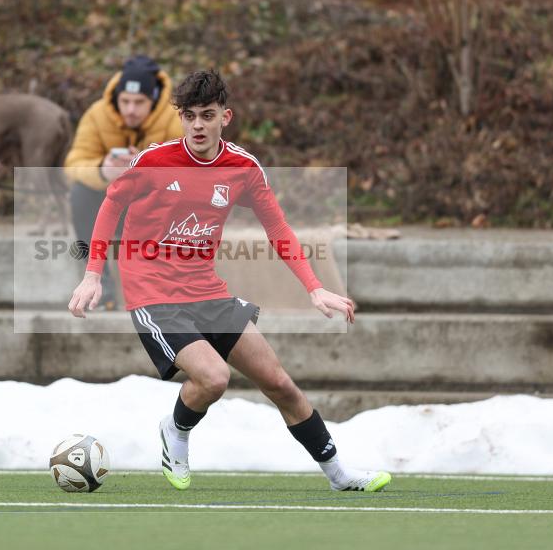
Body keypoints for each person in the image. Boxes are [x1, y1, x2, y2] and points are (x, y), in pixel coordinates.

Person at [68, 70, 390, 493]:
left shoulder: (242, 168)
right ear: (180, 118)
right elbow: (110, 206)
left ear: (226, 117)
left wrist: (314, 287)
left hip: (206, 289)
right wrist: (93, 275)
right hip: (153, 291)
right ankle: (176, 430)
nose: (197, 125)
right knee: (214, 378)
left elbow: (279, 231)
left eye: (207, 115)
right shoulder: (153, 161)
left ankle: (340, 475)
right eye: (189, 116)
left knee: (280, 384)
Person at [63, 55, 183, 309]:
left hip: (154, 206)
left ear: (153, 100)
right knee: (80, 194)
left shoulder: (175, 119)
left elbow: (190, 171)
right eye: (125, 101)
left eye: (139, 103)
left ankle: (159, 289)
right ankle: (99, 288)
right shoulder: (97, 114)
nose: (130, 109)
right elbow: (73, 164)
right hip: (110, 202)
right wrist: (102, 171)